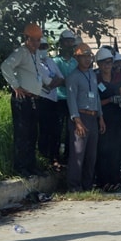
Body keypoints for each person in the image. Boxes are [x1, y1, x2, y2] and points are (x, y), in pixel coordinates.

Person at [0, 23, 49, 178]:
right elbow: (5, 66)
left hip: (34, 99)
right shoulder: (21, 52)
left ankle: (31, 165)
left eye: (39, 40)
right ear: (26, 39)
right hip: (23, 98)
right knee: (22, 133)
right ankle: (21, 167)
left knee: (33, 133)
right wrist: (15, 86)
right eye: (34, 40)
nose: (37, 43)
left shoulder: (35, 54)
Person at [65, 43, 106, 192]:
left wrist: (100, 117)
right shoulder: (73, 77)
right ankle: (74, 186)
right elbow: (71, 100)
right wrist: (77, 121)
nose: (87, 60)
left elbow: (96, 97)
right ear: (77, 58)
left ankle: (88, 186)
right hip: (80, 117)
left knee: (91, 155)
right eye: (84, 57)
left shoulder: (93, 75)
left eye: (89, 56)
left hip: (93, 116)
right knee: (78, 154)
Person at [94, 47, 121, 192]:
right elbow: (94, 102)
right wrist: (109, 100)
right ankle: (103, 181)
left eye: (109, 62)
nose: (107, 66)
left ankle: (115, 180)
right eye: (104, 63)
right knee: (103, 150)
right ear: (99, 64)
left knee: (115, 150)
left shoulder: (117, 77)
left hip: (116, 119)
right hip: (102, 118)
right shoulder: (95, 78)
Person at [37, 37, 65, 172]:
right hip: (42, 101)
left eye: (45, 46)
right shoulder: (36, 63)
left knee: (55, 131)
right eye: (40, 46)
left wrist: (51, 85)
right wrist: (52, 83)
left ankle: (54, 157)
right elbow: (48, 82)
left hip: (53, 100)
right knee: (44, 131)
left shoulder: (50, 61)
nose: (43, 49)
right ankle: (44, 158)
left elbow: (61, 78)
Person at [54, 30, 78, 165]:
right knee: (57, 129)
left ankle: (69, 157)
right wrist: (68, 82)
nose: (69, 44)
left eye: (71, 41)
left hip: (72, 100)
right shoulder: (56, 61)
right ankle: (55, 157)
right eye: (66, 41)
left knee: (71, 130)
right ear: (61, 43)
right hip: (59, 99)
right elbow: (55, 80)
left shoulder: (76, 62)